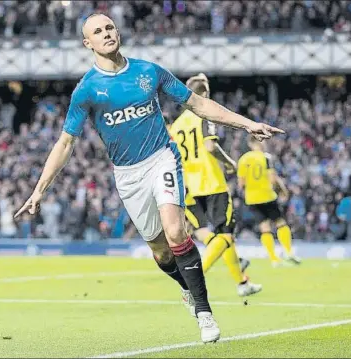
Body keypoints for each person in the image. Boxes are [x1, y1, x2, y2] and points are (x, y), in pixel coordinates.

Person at [14, 14, 284, 343]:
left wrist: (246, 124)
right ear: (88, 43)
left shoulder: (148, 71)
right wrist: (39, 190)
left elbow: (197, 103)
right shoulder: (86, 91)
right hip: (128, 175)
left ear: (118, 31)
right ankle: (188, 290)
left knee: (175, 231)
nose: (106, 34)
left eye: (109, 27)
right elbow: (65, 142)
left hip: (162, 158)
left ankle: (204, 312)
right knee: (161, 251)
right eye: (97, 32)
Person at [169, 73, 262, 298]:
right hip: (211, 183)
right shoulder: (204, 115)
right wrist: (230, 163)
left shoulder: (176, 125)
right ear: (205, 96)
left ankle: (241, 281)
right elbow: (210, 148)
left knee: (211, 235)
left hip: (189, 188)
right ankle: (192, 281)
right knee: (226, 234)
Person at [237, 137, 300, 266]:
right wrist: (283, 190)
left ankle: (274, 259)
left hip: (252, 198)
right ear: (260, 142)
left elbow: (241, 183)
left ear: (250, 143)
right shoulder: (266, 157)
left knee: (264, 228)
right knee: (280, 223)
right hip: (267, 195)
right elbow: (272, 179)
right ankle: (288, 252)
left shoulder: (243, 159)